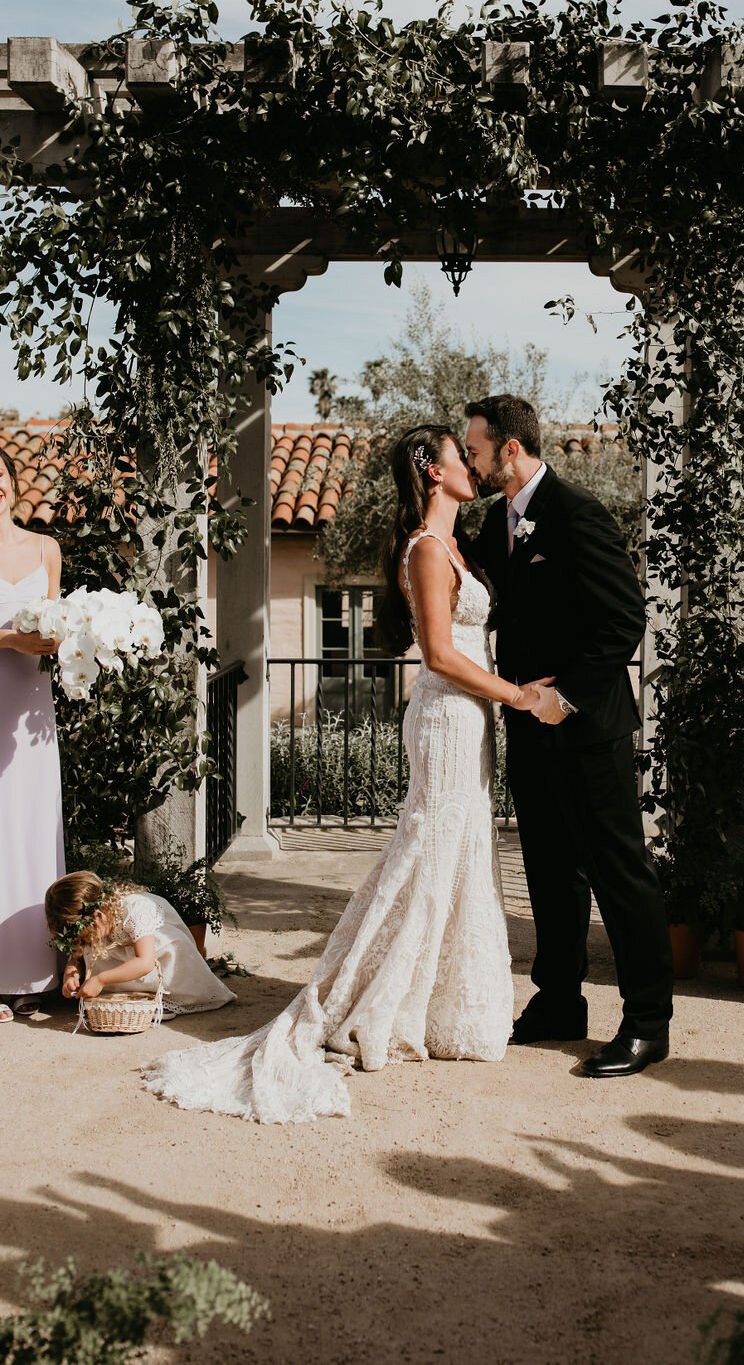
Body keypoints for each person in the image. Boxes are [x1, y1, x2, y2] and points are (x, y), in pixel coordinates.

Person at [143, 425, 542, 1120]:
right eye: (460, 455)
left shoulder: (456, 546)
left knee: (458, 851)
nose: (470, 466)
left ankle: (446, 1006)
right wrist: (518, 696)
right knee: (428, 848)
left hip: (468, 722)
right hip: (448, 717)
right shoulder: (424, 548)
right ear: (431, 469)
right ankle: (371, 999)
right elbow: (442, 656)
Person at [464, 396, 673, 1077]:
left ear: (511, 449)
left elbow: (624, 621)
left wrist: (566, 696)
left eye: (476, 449)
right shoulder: (497, 520)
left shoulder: (579, 513)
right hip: (529, 729)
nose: (472, 459)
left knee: (620, 874)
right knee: (550, 873)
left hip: (590, 730)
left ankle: (647, 1022)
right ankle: (559, 1002)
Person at [0, 438, 64, 1025]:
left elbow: (53, 622)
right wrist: (7, 637)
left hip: (32, 708)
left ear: (13, 478)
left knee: (31, 827)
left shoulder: (47, 548)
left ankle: (31, 972)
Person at [45, 871, 236, 1017]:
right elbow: (77, 955)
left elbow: (145, 962)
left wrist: (101, 979)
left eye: (85, 934)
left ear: (100, 911)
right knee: (94, 951)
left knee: (120, 962)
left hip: (159, 955)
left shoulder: (136, 908)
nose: (84, 940)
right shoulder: (95, 922)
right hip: (129, 956)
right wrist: (71, 973)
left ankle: (160, 999)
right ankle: (131, 998)